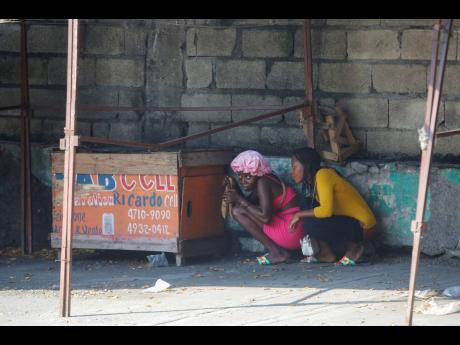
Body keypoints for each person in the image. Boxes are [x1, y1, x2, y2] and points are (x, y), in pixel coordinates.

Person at [289, 147, 377, 266]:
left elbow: (326, 211)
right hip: (349, 223)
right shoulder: (313, 181)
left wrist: (299, 215)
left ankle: (354, 248)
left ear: (306, 165)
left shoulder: (323, 175)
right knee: (306, 204)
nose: (291, 172)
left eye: (294, 167)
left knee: (310, 223)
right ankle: (326, 253)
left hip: (363, 226)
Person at [223, 150, 304, 265]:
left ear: (257, 173)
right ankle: (279, 252)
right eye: (240, 177)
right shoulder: (264, 179)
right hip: (295, 228)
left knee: (237, 212)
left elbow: (265, 218)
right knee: (241, 209)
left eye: (247, 176)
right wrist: (235, 188)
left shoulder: (263, 182)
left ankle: (277, 253)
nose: (243, 181)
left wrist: (239, 199)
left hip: (291, 230)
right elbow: (249, 204)